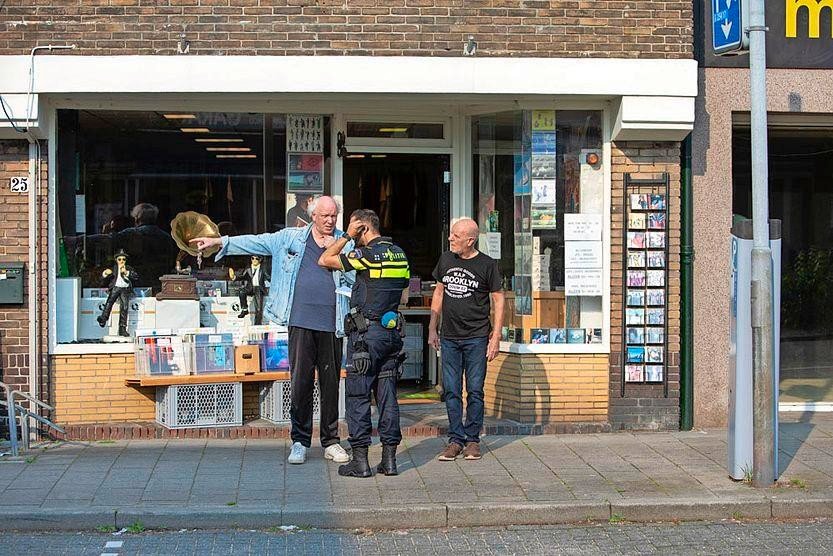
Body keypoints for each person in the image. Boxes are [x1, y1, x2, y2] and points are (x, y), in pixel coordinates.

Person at [190, 196, 353, 466]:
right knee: (300, 383)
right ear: (312, 215)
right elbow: (257, 241)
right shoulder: (290, 238)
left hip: (332, 323)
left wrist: (344, 256)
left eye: (333, 215)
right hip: (300, 321)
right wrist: (220, 242)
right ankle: (299, 441)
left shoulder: (345, 242)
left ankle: (330, 441)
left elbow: (355, 276)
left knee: (331, 384)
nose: (330, 220)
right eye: (325, 215)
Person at [318, 209, 410, 478]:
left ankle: (360, 462)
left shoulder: (366, 255)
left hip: (365, 338)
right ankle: (389, 461)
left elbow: (325, 259)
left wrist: (347, 236)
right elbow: (403, 294)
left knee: (358, 396)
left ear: (363, 228)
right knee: (388, 396)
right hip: (391, 334)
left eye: (353, 227)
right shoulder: (400, 254)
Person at [428, 218, 504, 462]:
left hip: (477, 337)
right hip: (449, 337)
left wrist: (496, 336)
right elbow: (439, 292)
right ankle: (455, 440)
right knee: (451, 390)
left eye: (456, 236)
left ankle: (472, 440)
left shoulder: (487, 264)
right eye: (451, 234)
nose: (450, 238)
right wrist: (432, 328)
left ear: (470, 240)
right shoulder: (446, 260)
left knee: (475, 390)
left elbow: (499, 299)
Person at [113, 202, 178, 289]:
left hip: (135, 284)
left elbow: (110, 241)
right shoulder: (166, 237)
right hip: (160, 284)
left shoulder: (130, 234)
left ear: (137, 218)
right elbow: (171, 262)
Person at [97, 249, 139, 337]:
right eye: (119, 259)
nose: (121, 261)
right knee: (109, 302)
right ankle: (103, 318)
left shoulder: (128, 268)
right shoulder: (114, 268)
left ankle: (122, 328)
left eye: (123, 259)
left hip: (125, 289)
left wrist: (127, 273)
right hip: (116, 287)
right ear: (116, 260)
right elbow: (103, 279)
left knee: (124, 307)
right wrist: (105, 273)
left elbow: (136, 277)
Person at [231, 255, 270, 325]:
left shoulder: (263, 269)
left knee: (258, 309)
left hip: (259, 289)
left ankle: (257, 324)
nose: (254, 260)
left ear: (260, 260)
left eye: (256, 259)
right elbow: (242, 276)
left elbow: (268, 277)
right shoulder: (248, 268)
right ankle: (244, 309)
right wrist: (235, 277)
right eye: (252, 258)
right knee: (241, 292)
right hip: (250, 288)